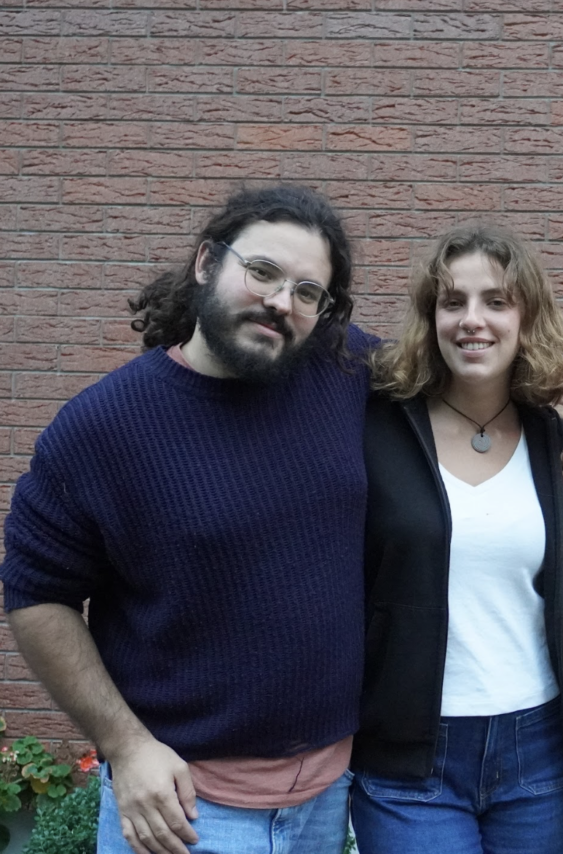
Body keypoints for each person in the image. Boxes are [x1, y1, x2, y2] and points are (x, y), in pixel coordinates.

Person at [0, 184, 374, 854]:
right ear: (206, 262)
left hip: (327, 804)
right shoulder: (102, 428)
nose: (280, 301)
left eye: (307, 292)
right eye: (262, 271)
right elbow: (35, 595)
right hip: (185, 814)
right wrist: (124, 745)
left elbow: (470, 386)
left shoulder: (342, 371)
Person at [350, 224, 563, 854]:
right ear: (431, 318)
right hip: (408, 758)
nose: (471, 320)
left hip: (538, 749)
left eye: (496, 301)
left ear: (526, 318)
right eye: (452, 302)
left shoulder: (554, 440)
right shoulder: (377, 424)